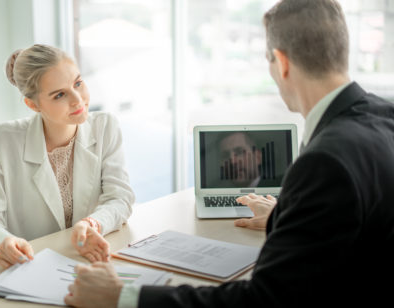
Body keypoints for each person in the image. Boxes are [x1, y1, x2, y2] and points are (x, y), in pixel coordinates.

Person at [63, 0, 394, 307]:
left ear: (281, 62)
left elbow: (263, 298)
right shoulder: (385, 115)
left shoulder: (324, 162)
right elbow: (357, 216)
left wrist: (124, 296)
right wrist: (286, 216)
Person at [0, 44, 135, 268]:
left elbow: (120, 198)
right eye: (59, 95)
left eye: (78, 83)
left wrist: (94, 223)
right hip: (29, 266)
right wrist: (2, 242)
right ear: (33, 104)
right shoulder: (2, 139)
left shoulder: (105, 126)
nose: (78, 100)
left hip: (86, 261)